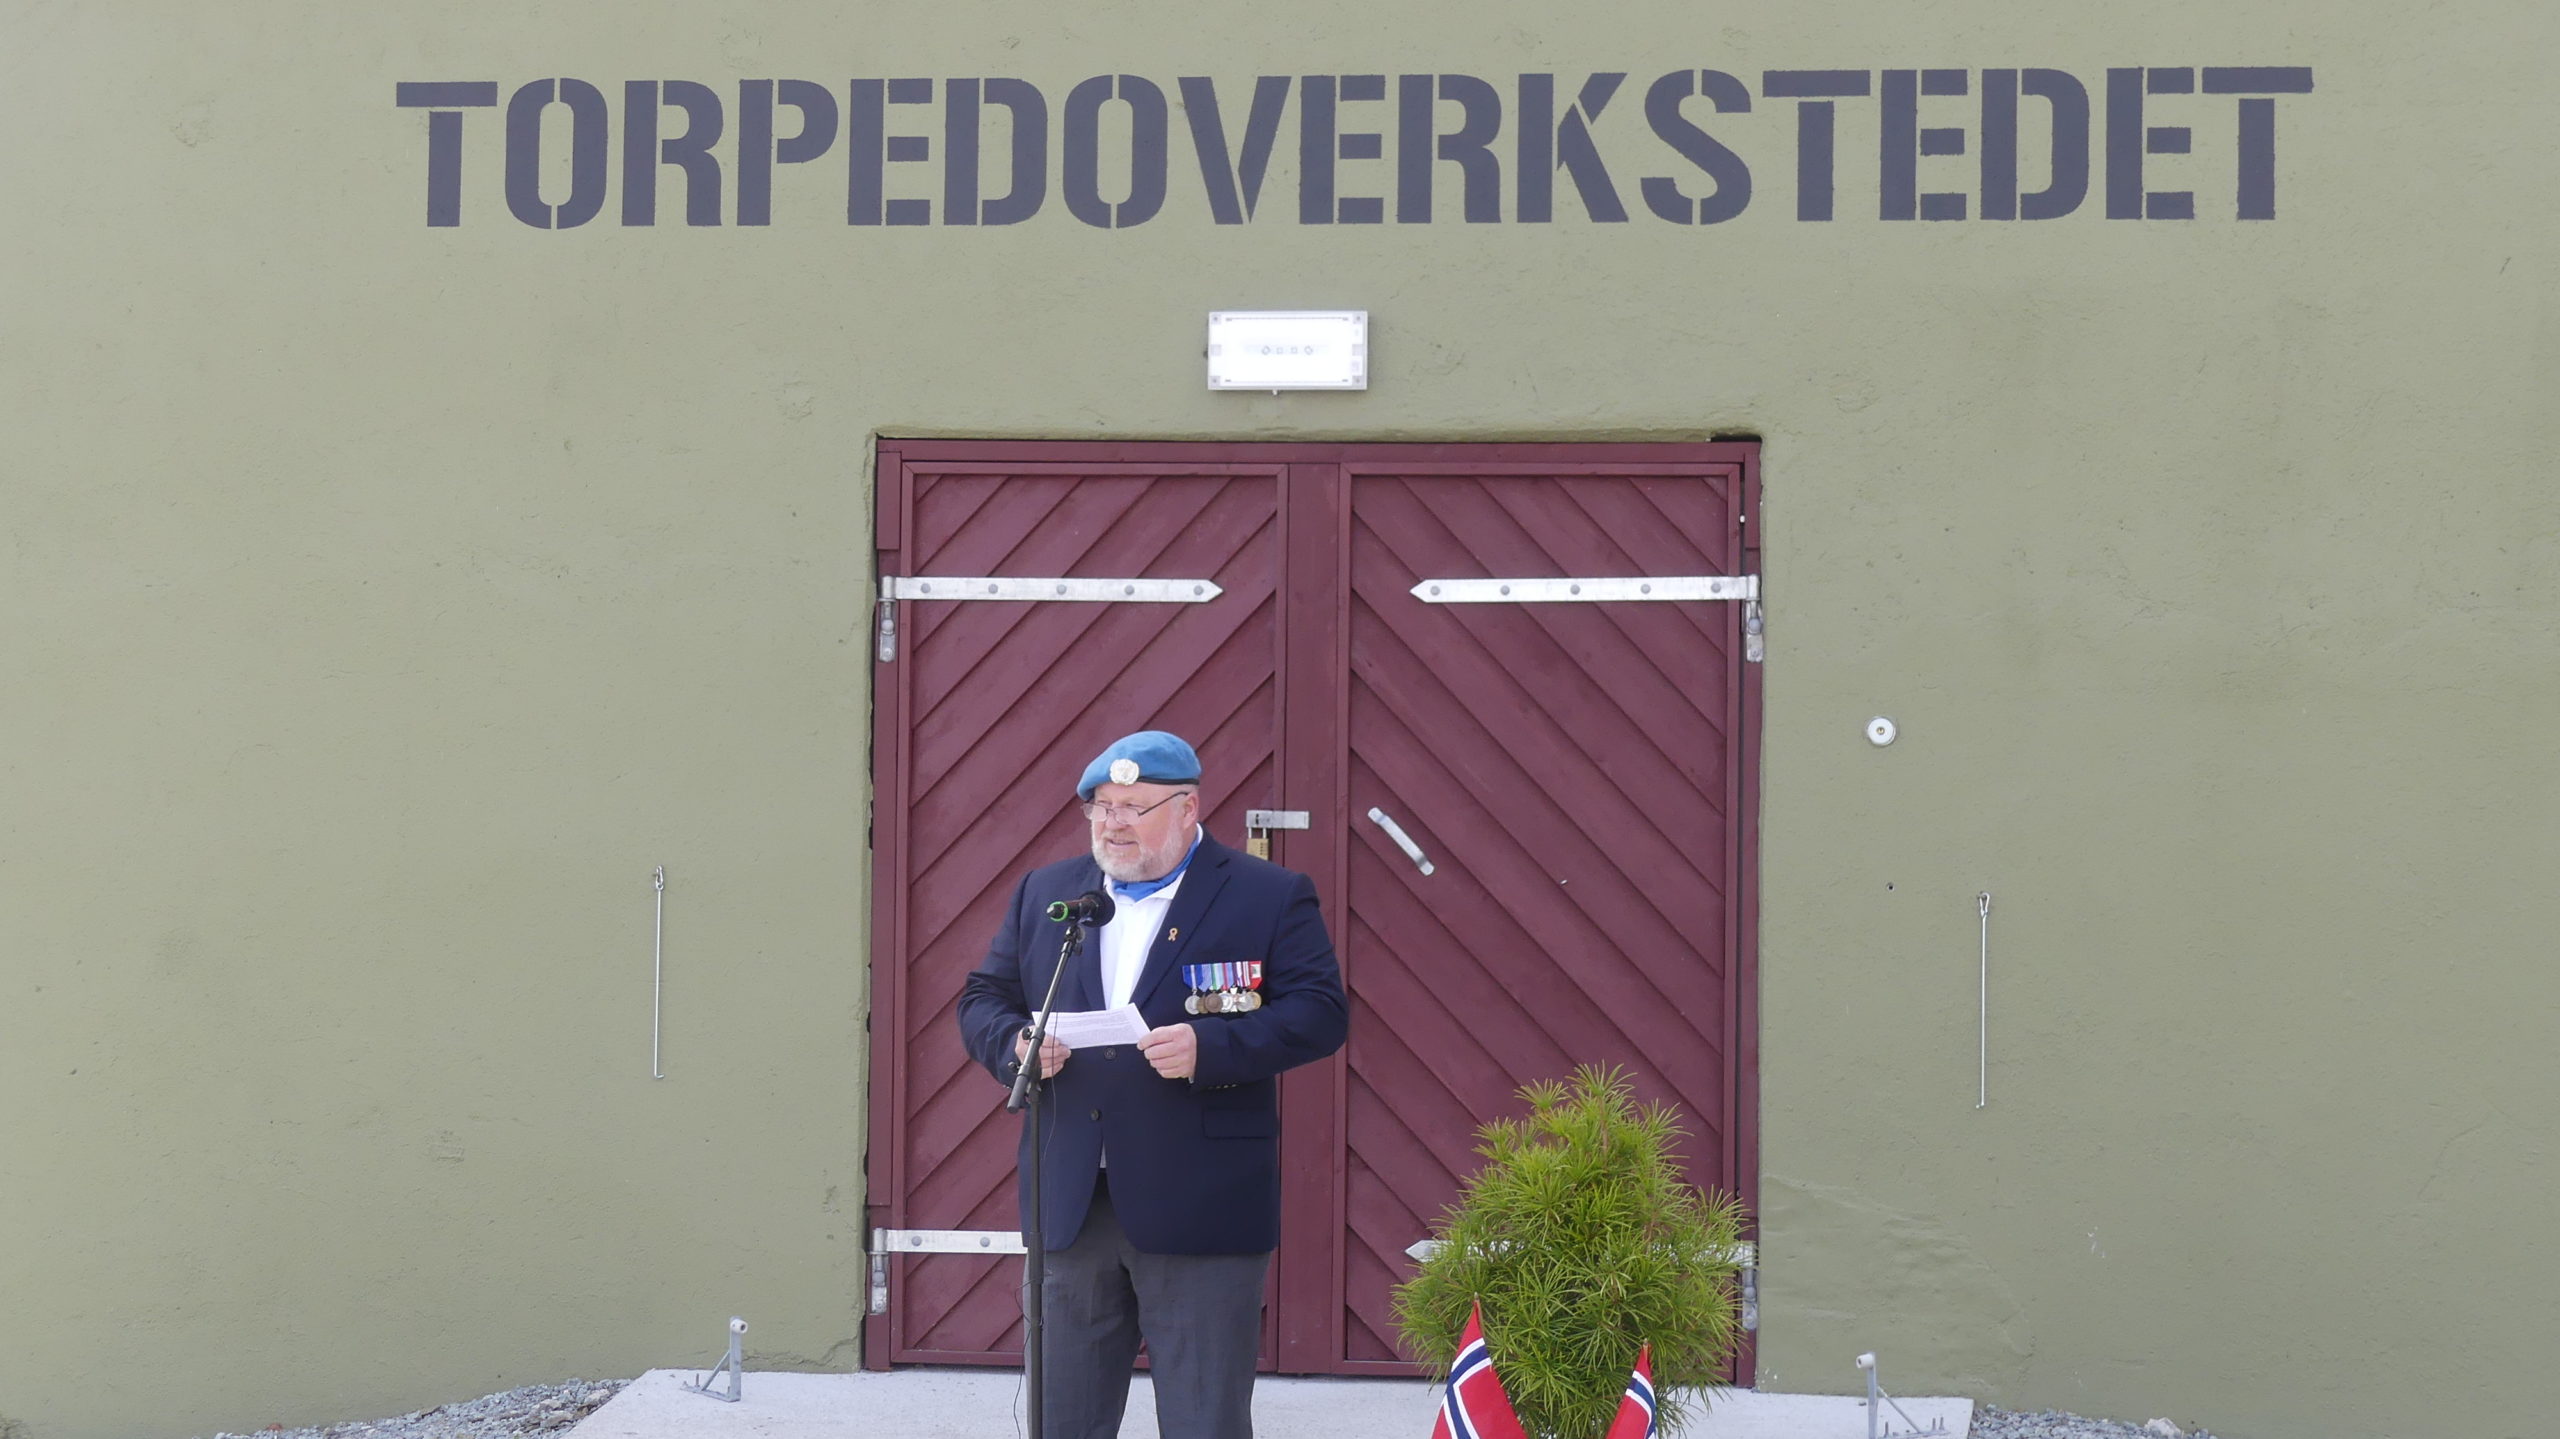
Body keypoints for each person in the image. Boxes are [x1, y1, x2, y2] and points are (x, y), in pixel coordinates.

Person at [956, 730, 1349, 1439]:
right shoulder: (1049, 892)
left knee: (1203, 1420)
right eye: (1101, 806)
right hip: (1072, 1200)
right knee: (1063, 1420)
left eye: (1133, 807)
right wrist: (1014, 1043)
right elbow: (984, 997)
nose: (1112, 823)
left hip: (1200, 1202)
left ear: (1187, 807)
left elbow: (1320, 1014)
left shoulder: (1265, 894)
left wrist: (1211, 1047)